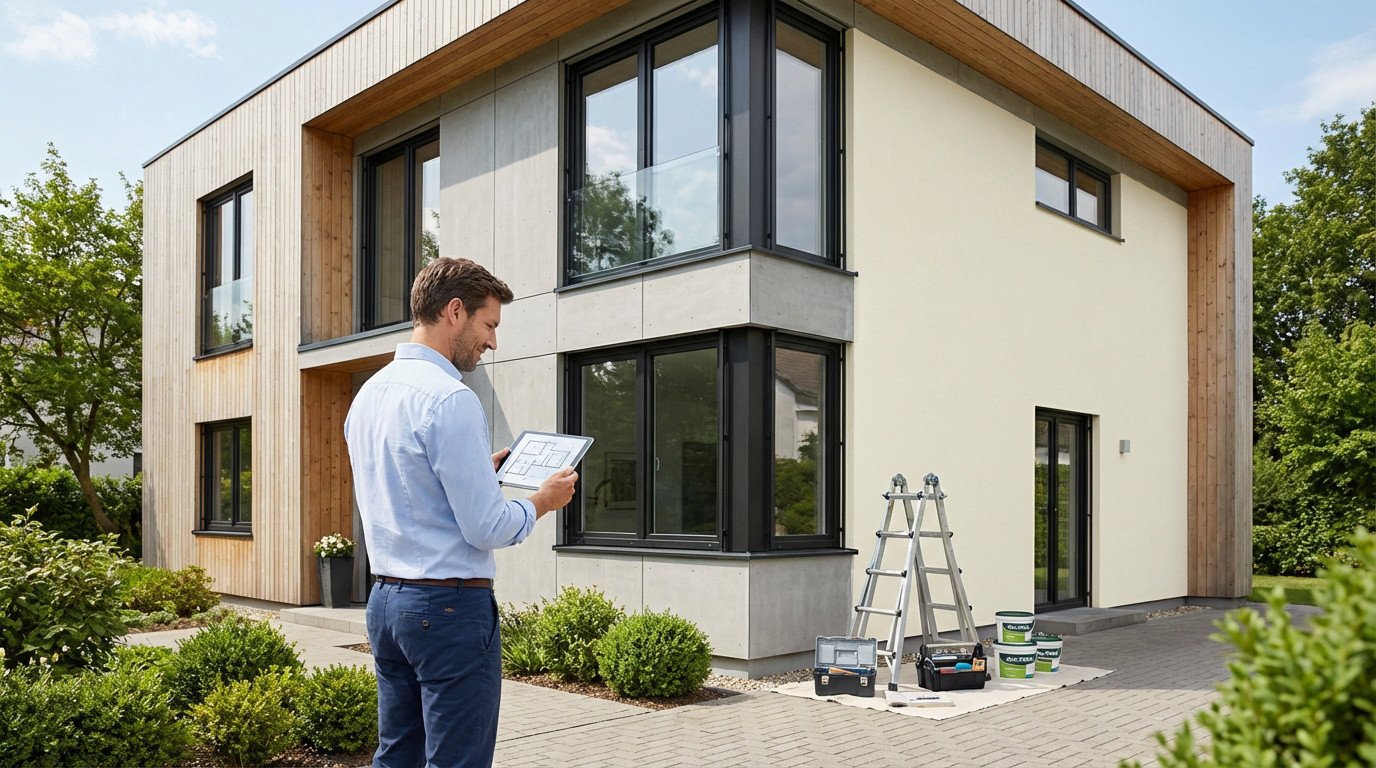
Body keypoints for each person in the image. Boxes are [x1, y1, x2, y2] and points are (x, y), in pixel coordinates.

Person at [344, 257, 577, 768]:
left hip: (386, 603)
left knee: (396, 756)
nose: (493, 342)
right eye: (489, 324)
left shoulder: (368, 395)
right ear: (455, 311)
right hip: (447, 610)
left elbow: (410, 488)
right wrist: (542, 500)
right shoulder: (451, 398)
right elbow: (487, 527)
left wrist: (480, 473)